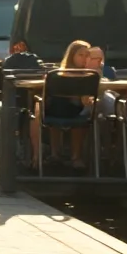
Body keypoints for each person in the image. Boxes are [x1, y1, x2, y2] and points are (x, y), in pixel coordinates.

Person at [29, 40, 93, 170]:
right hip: (53, 110)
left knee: (85, 114)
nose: (85, 58)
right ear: (71, 56)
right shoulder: (55, 75)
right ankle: (42, 156)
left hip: (76, 112)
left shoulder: (91, 76)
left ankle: (76, 156)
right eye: (81, 55)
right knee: (37, 109)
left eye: (87, 55)